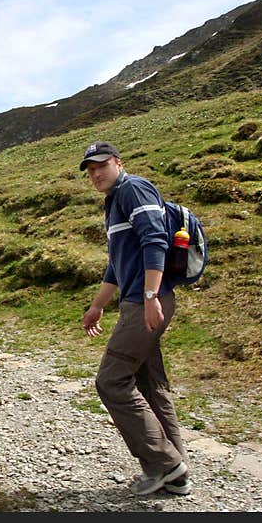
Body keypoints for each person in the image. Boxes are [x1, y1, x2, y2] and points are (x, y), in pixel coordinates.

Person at [79, 140, 191, 496]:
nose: (95, 173)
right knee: (150, 385)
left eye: (101, 165)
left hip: (146, 301)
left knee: (111, 381)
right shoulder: (114, 203)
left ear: (117, 162)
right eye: (90, 169)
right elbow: (116, 264)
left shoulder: (134, 188)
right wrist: (97, 305)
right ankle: (175, 471)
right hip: (136, 301)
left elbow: (154, 241)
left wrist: (150, 295)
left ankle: (165, 464)